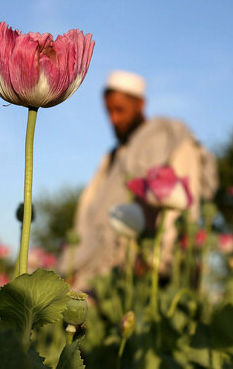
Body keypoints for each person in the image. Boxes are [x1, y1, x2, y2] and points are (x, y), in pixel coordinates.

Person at [65, 70, 218, 289]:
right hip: (100, 274)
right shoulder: (113, 157)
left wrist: (157, 259)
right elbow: (88, 213)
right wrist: (74, 263)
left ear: (140, 104)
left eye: (120, 110)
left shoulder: (170, 137)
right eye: (108, 111)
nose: (113, 119)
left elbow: (183, 204)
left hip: (147, 272)